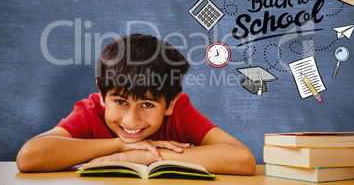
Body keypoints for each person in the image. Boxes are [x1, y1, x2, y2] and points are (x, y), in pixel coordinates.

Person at [17, 34, 256, 175]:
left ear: (170, 103)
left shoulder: (179, 110)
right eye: (120, 101)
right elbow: (29, 157)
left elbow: (242, 160)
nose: (130, 120)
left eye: (148, 105)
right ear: (101, 96)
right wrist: (121, 147)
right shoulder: (91, 110)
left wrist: (148, 157)